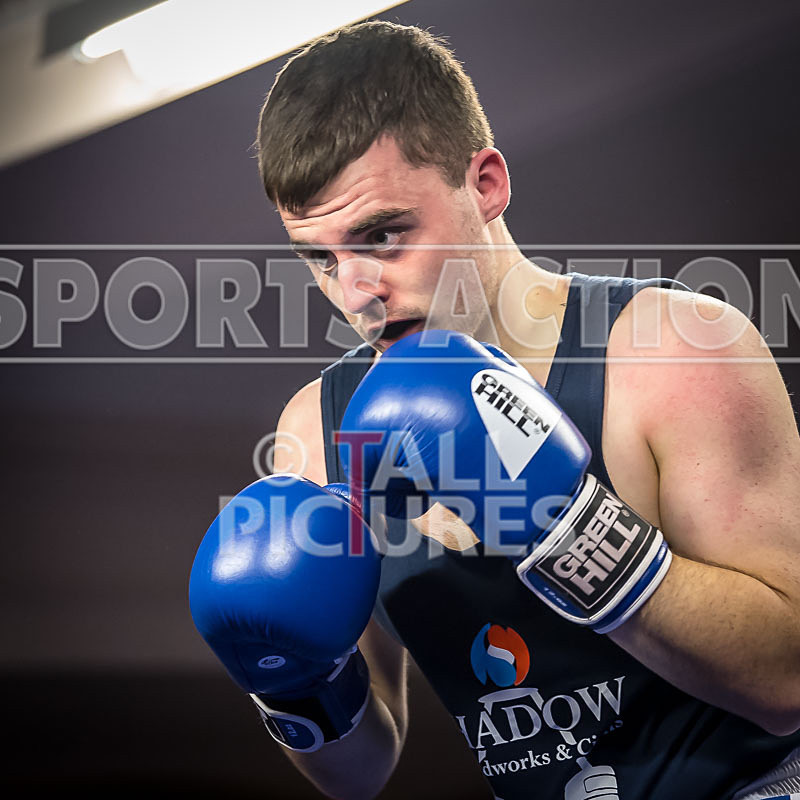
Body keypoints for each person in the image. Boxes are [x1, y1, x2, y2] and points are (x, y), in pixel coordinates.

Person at [190, 21, 800, 800]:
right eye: (322, 258)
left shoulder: (672, 353)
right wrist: (293, 684)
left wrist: (563, 526)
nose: (356, 294)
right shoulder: (317, 431)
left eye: (382, 235)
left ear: (486, 184)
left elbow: (786, 683)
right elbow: (362, 772)